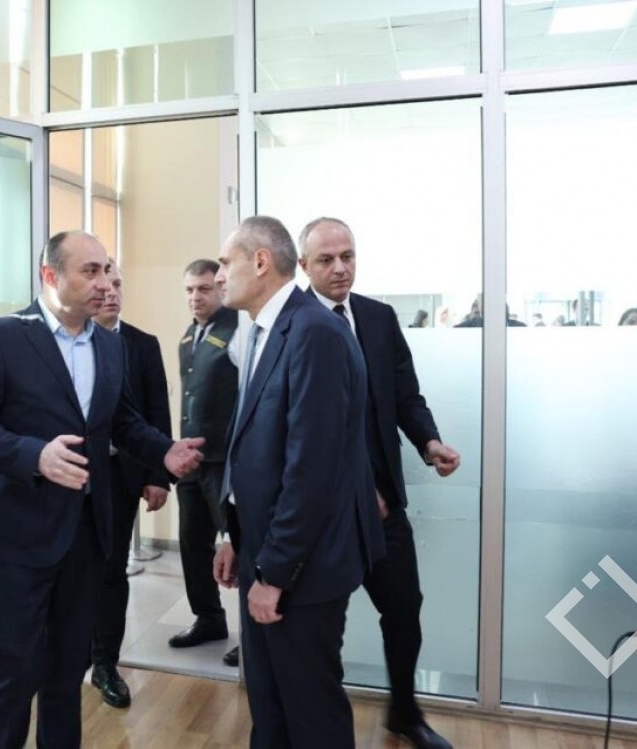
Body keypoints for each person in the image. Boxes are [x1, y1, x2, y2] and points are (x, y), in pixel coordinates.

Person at [0, 230, 204, 749]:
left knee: (67, 671)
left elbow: (121, 421)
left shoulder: (109, 345)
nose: (104, 282)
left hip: (87, 535)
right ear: (51, 275)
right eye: (90, 271)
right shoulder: (2, 337)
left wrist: (163, 452)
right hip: (20, 535)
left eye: (106, 270)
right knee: (18, 669)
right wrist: (34, 457)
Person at [211, 216, 383, 749]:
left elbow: (311, 472)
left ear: (261, 261)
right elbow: (255, 448)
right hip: (265, 552)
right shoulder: (266, 330)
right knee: (270, 707)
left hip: (301, 571)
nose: (219, 276)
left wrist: (275, 573)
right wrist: (235, 536)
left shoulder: (314, 333)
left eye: (226, 263)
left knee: (310, 714)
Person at [299, 217, 462, 749]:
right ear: (303, 266)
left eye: (347, 256)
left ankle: (405, 713)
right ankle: (320, 727)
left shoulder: (377, 317)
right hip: (324, 514)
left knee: (404, 609)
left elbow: (404, 395)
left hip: (384, 507)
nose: (340, 268)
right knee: (325, 625)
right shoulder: (293, 324)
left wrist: (429, 442)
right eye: (326, 260)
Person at [88, 261, 172, 709]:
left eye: (118, 283)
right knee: (72, 569)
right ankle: (71, 650)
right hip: (71, 477)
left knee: (111, 570)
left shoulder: (141, 344)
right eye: (102, 283)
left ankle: (106, 662)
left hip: (120, 477)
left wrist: (158, 476)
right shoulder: (66, 343)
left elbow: (157, 410)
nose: (111, 291)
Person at [169, 259, 241, 666]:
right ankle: (209, 618)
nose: (195, 297)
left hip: (224, 460)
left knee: (240, 546)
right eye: (189, 290)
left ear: (220, 288)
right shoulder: (187, 336)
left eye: (204, 289)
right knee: (192, 544)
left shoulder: (237, 330)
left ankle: (255, 634)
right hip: (191, 461)